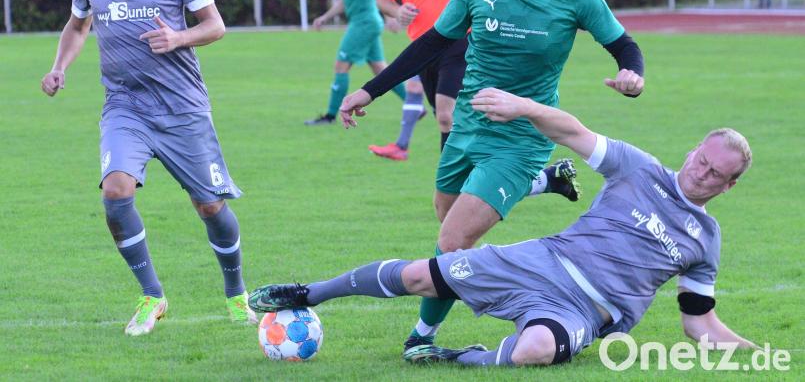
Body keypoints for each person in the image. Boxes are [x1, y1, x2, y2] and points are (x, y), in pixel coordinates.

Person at [249, 87, 756, 366]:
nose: (701, 173)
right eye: (701, 159)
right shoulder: (638, 167)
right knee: (423, 275)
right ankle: (308, 294)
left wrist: (762, 355)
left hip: (585, 309)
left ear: (729, 187)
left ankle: (458, 359)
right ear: (694, 149)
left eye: (716, 174)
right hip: (542, 260)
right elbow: (573, 131)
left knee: (534, 350)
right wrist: (524, 107)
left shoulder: (704, 241)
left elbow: (699, 324)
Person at [339, 0, 645, 351]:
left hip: (522, 138)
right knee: (444, 220)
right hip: (466, 128)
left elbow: (624, 46)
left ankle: (421, 338)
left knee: (453, 241)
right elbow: (432, 43)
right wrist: (369, 90)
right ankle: (543, 189)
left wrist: (632, 76)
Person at [40, 0, 256, 336]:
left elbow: (215, 26)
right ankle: (152, 296)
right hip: (125, 106)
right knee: (115, 191)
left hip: (181, 107)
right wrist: (59, 67)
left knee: (209, 206)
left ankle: (236, 294)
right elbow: (77, 25)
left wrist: (179, 37)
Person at [367, 0, 485, 160]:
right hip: (423, 47)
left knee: (445, 113)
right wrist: (397, 10)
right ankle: (475, 171)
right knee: (447, 117)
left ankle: (450, 184)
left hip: (463, 40)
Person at [305, 0, 405, 125]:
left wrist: (389, 15)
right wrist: (325, 17)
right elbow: (345, 0)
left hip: (364, 23)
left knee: (341, 66)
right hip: (365, 23)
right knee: (380, 69)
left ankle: (330, 116)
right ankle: (414, 105)